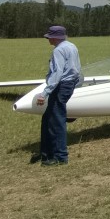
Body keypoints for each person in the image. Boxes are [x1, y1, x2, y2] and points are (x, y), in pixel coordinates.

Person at [31, 25, 82, 166]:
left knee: (56, 121)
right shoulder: (72, 46)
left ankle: (60, 157)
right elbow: (77, 69)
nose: (48, 39)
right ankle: (46, 153)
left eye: (49, 37)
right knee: (48, 118)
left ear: (55, 37)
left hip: (61, 86)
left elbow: (57, 73)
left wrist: (45, 93)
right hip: (69, 84)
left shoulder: (58, 51)